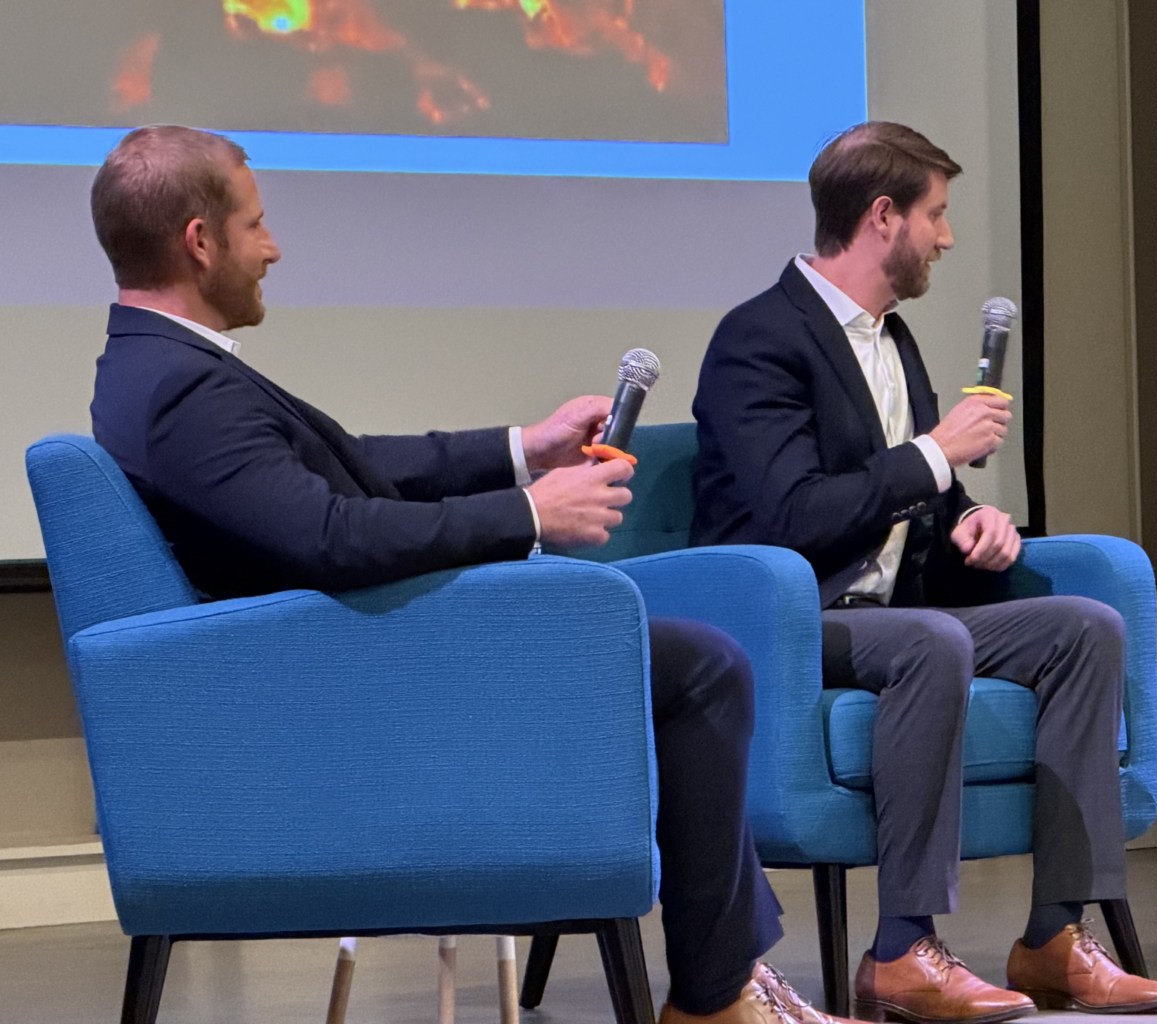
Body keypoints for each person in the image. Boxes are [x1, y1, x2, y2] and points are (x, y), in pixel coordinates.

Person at [85, 125, 847, 1024]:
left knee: (680, 658)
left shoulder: (156, 367)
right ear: (199, 241)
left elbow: (351, 468)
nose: (273, 248)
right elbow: (326, 536)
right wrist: (532, 514)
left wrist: (524, 448)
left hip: (330, 667)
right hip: (351, 692)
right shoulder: (181, 388)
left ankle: (728, 981)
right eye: (255, 225)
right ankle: (718, 998)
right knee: (696, 666)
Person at [690, 121, 1157, 1021]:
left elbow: (913, 496)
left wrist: (971, 521)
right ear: (883, 216)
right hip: (794, 620)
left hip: (895, 612)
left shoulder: (894, 339)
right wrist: (935, 454)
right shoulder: (759, 338)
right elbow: (790, 516)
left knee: (1086, 628)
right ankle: (902, 949)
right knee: (930, 643)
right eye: (936, 215)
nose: (946, 238)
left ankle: (1056, 936)